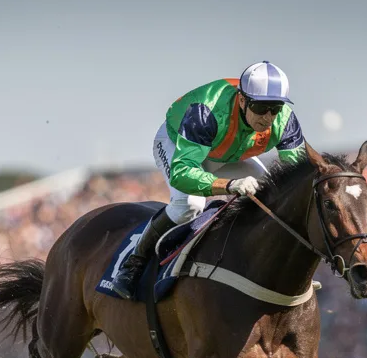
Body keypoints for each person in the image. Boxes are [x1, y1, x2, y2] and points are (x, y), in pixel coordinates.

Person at [109, 61, 308, 299]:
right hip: (180, 148)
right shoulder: (208, 110)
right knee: (190, 205)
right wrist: (229, 185)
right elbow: (183, 173)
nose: (267, 117)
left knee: (274, 197)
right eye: (260, 107)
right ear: (243, 100)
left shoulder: (284, 120)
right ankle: (134, 263)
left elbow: (296, 178)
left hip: (226, 153)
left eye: (274, 108)